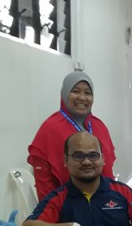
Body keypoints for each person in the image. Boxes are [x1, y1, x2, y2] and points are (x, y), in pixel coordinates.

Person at [28, 71, 117, 202]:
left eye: (88, 93)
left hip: (103, 203)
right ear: (65, 94)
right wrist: (54, 209)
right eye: (75, 91)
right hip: (65, 205)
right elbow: (44, 185)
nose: (82, 97)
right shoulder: (50, 129)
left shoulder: (99, 126)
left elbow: (108, 171)